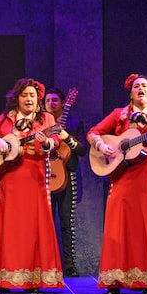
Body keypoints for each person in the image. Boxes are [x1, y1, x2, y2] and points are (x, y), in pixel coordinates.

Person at [87, 74, 147, 294]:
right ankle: (116, 279)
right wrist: (101, 146)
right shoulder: (119, 114)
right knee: (120, 221)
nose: (140, 89)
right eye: (136, 86)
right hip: (124, 173)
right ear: (130, 93)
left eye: (144, 86)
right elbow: (93, 132)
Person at [0, 77, 64, 293]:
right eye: (24, 95)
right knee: (8, 228)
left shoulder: (46, 118)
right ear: (16, 98)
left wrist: (48, 143)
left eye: (32, 95)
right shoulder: (5, 119)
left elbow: (58, 141)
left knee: (34, 229)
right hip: (9, 180)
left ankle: (33, 280)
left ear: (38, 100)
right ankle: (4, 279)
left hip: (35, 180)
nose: (28, 99)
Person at [44, 87, 87, 277]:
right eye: (47, 100)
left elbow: (82, 150)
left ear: (63, 103)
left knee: (66, 223)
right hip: (44, 177)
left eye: (55, 100)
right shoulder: (40, 124)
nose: (51, 104)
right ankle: (46, 265)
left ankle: (69, 265)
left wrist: (67, 138)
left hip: (67, 177)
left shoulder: (74, 123)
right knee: (45, 223)